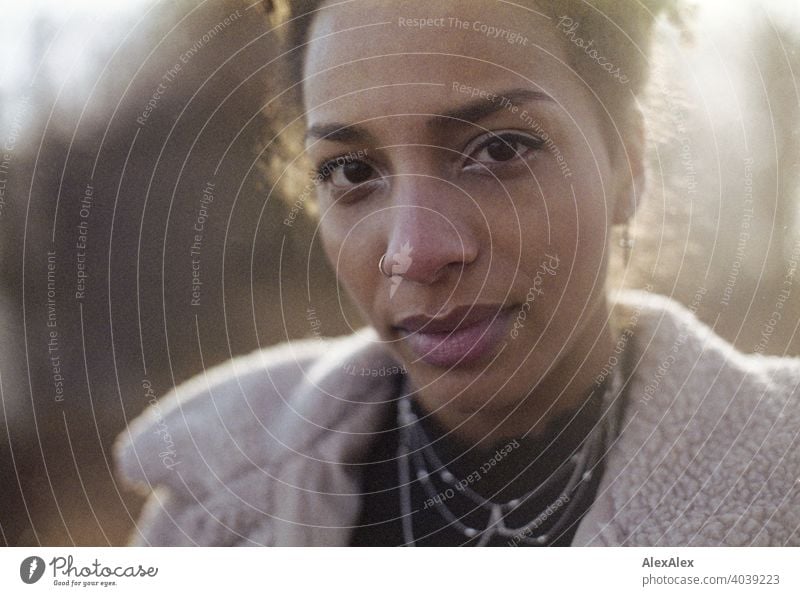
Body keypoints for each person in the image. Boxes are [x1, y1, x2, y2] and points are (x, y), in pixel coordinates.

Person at [115, 0, 800, 546]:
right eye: (352, 172)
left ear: (628, 163)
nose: (416, 252)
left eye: (500, 149)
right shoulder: (208, 524)